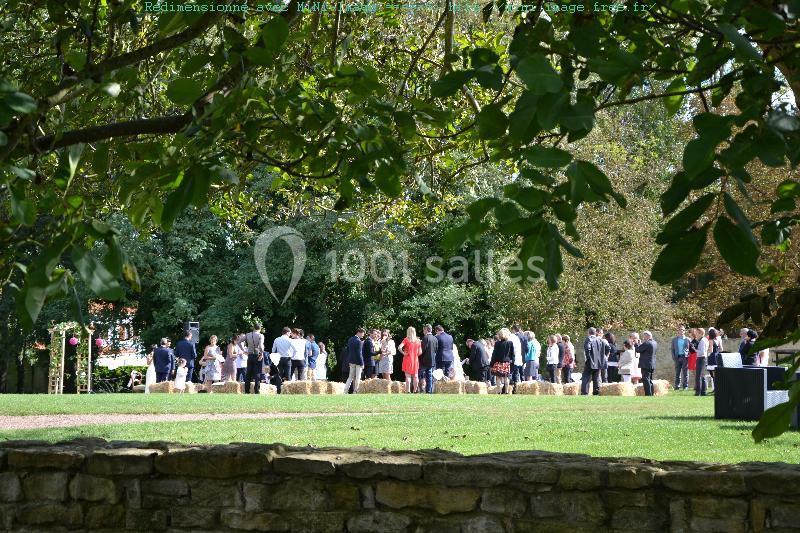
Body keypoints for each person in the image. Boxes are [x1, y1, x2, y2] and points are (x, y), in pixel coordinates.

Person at [490, 328, 514, 394]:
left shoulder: (497, 343)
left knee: (498, 377)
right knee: (506, 377)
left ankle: (498, 391)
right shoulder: (510, 343)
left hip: (498, 362)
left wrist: (491, 364)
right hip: (506, 363)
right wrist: (513, 363)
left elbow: (494, 354)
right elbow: (512, 354)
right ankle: (506, 391)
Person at [581, 328, 603, 395]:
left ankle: (585, 392)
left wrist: (588, 358)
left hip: (590, 360)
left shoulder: (588, 339)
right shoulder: (599, 339)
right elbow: (606, 348)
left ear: (588, 332)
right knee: (596, 377)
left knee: (586, 376)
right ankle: (596, 392)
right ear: (595, 332)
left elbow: (587, 348)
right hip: (598, 361)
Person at [399, 327, 422, 393]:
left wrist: (404, 353)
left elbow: (399, 347)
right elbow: (420, 352)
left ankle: (408, 390)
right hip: (415, 360)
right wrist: (415, 354)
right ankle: (415, 390)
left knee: (408, 376)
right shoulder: (418, 340)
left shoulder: (406, 339)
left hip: (408, 359)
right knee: (415, 376)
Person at [244, 324, 266, 394]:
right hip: (257, 355)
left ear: (253, 328)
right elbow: (261, 346)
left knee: (248, 373)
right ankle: (256, 390)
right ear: (260, 328)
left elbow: (238, 341)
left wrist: (243, 350)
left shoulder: (248, 334)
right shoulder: (260, 335)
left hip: (250, 355)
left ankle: (247, 390)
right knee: (257, 373)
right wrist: (262, 353)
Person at [344, 327, 366, 393]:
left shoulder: (350, 339)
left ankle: (345, 391)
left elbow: (348, 350)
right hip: (358, 362)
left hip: (351, 361)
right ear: (359, 333)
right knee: (358, 377)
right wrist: (362, 363)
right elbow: (359, 354)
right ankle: (355, 391)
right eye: (362, 334)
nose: (363, 335)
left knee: (350, 377)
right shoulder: (359, 341)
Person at [636, 331, 658, 396]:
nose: (643, 338)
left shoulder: (647, 343)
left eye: (644, 336)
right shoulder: (655, 343)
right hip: (652, 364)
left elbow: (638, 350)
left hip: (645, 364)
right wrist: (641, 344)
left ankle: (648, 394)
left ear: (648, 336)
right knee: (650, 380)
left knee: (646, 380)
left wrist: (636, 344)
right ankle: (651, 393)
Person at [420, 325, 438, 394]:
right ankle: (429, 391)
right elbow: (436, 350)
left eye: (424, 330)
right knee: (429, 376)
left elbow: (422, 350)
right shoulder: (435, 338)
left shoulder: (425, 338)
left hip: (424, 360)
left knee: (418, 374)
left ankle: (418, 389)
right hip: (432, 360)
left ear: (426, 330)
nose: (423, 332)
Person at [671, 326, 690, 391]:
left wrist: (688, 356)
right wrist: (674, 357)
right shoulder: (674, 339)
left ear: (684, 331)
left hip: (685, 357)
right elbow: (672, 349)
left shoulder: (688, 339)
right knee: (677, 373)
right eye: (680, 330)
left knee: (685, 373)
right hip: (677, 357)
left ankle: (685, 386)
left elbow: (691, 349)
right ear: (678, 331)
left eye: (683, 330)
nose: (681, 331)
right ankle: (677, 386)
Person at [694, 327, 709, 396]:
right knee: (702, 376)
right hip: (702, 358)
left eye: (696, 332)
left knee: (698, 376)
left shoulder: (703, 340)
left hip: (701, 358)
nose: (695, 334)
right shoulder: (704, 339)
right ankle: (703, 391)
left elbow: (702, 352)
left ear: (700, 333)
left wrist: (694, 349)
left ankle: (698, 392)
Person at [707, 327, 722, 392]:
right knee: (716, 373)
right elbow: (721, 349)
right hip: (717, 356)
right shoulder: (718, 340)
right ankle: (717, 388)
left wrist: (706, 350)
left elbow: (711, 350)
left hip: (712, 357)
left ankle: (716, 388)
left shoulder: (711, 340)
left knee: (712, 373)